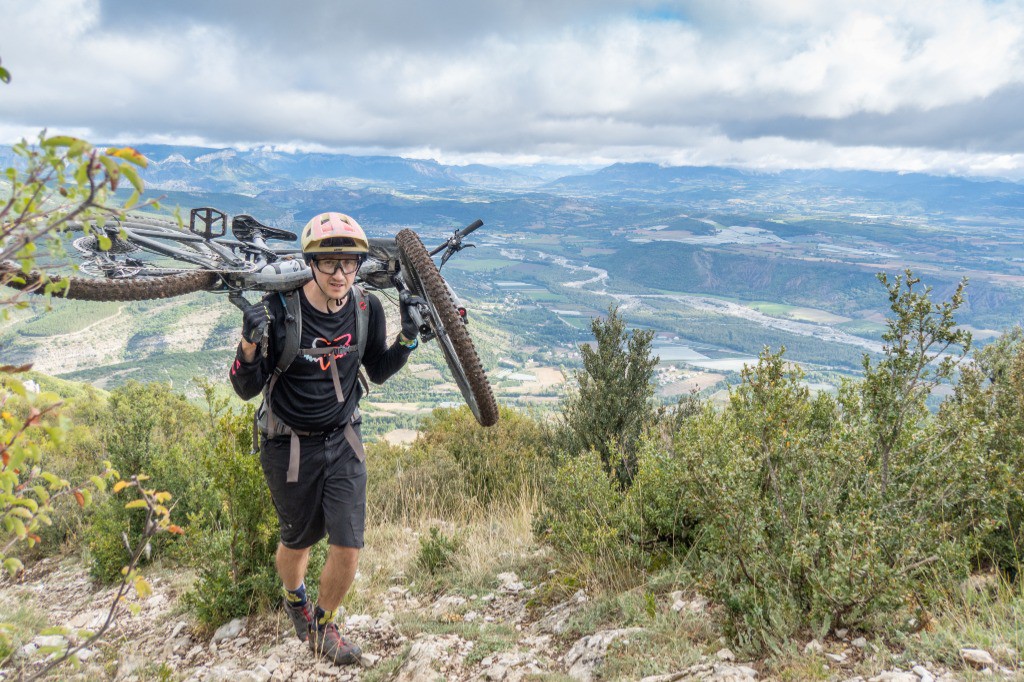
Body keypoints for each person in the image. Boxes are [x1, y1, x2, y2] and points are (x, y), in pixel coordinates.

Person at [229, 212, 419, 665]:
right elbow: (245, 388)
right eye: (330, 264)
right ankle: (295, 598)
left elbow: (377, 369)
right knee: (298, 541)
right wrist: (250, 345)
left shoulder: (365, 307)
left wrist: (409, 338)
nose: (340, 275)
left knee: (348, 542)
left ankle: (324, 625)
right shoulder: (280, 310)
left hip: (344, 436)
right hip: (288, 444)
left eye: (349, 264)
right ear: (310, 263)